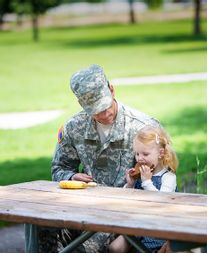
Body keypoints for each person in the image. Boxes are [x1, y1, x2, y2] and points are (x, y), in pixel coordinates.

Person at [39, 64, 159, 253]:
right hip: (82, 208)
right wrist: (71, 177)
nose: (104, 114)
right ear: (82, 105)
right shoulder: (74, 128)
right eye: (96, 110)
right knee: (43, 229)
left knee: (85, 249)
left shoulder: (144, 128)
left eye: (105, 106)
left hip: (124, 211)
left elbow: (163, 177)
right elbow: (59, 168)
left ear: (112, 90)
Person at [109, 125, 178, 253]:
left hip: (159, 229)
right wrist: (130, 184)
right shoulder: (139, 175)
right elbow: (124, 201)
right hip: (137, 225)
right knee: (114, 248)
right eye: (137, 154)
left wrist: (147, 181)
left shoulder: (168, 177)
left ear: (161, 153)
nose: (139, 158)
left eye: (145, 154)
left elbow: (161, 203)